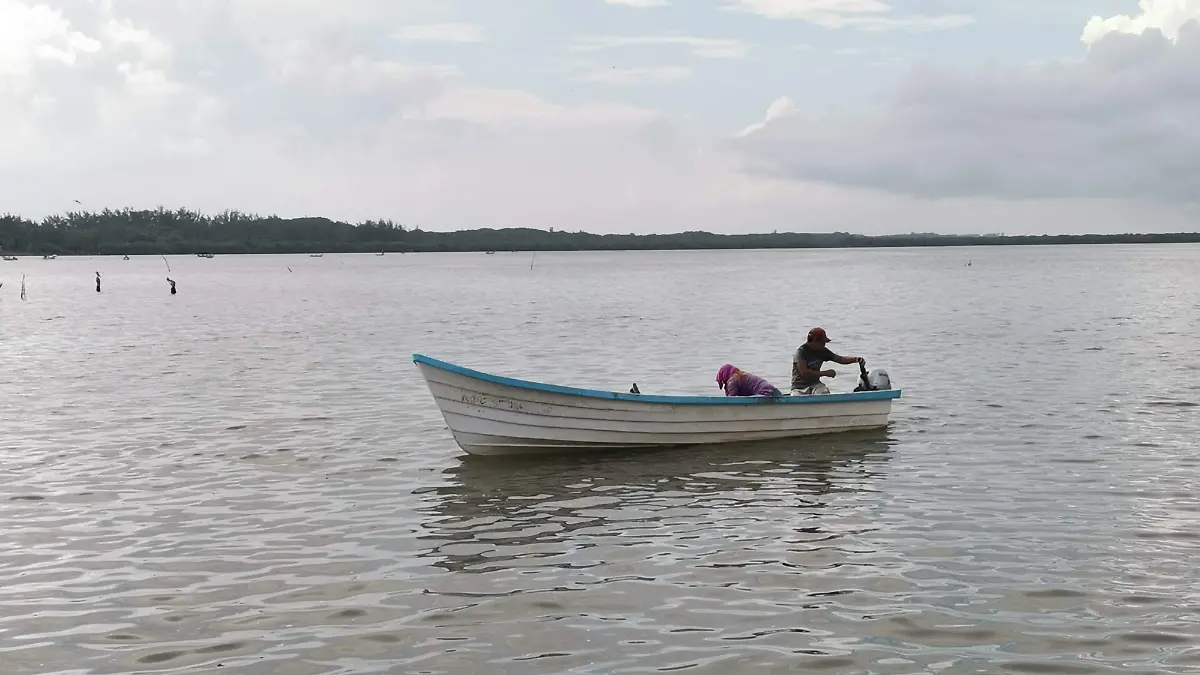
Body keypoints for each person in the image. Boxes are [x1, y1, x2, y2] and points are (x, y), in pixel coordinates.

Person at [790, 327, 865, 395]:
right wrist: (826, 373)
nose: (824, 345)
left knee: (823, 392)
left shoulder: (822, 351)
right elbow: (805, 373)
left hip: (815, 385)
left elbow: (840, 359)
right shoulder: (800, 352)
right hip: (799, 387)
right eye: (823, 342)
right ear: (814, 341)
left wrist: (856, 359)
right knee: (796, 396)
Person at [717, 364, 784, 397]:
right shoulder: (740, 375)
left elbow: (731, 398)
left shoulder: (733, 380)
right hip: (770, 388)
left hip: (763, 392)